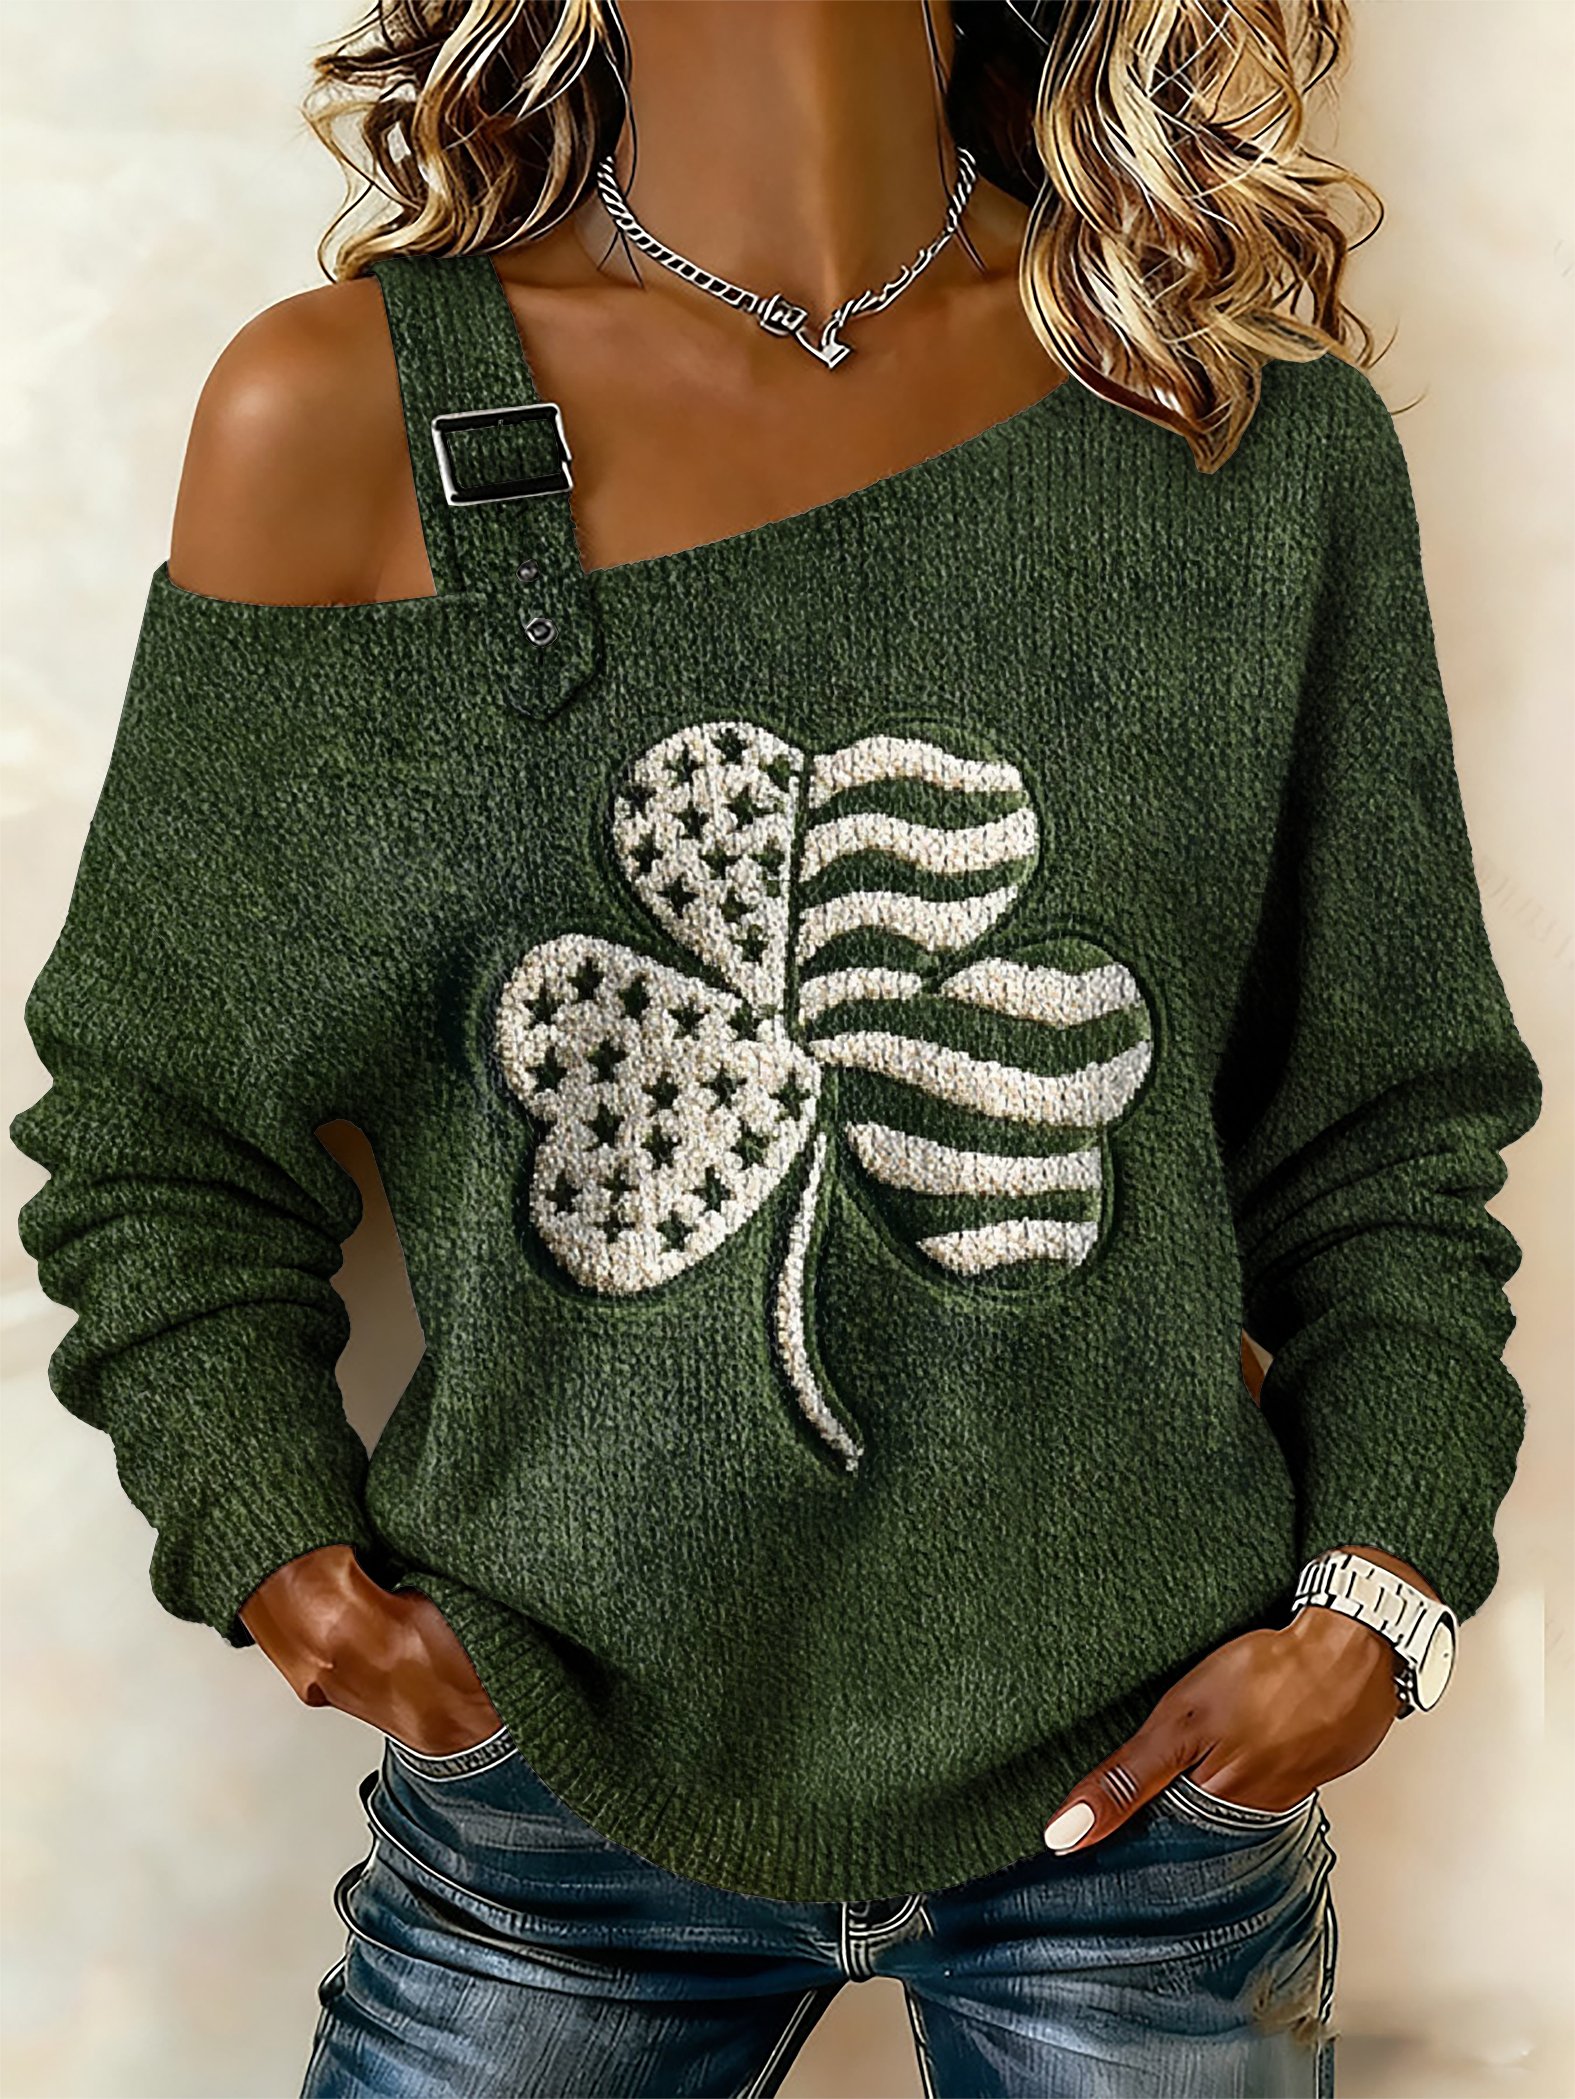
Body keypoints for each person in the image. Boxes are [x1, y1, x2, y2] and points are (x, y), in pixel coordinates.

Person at [8, 2, 1543, 2095]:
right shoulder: (350, 418)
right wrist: (275, 1546)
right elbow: (158, 1129)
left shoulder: (1237, 436)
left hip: (1148, 1800)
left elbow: (1381, 1129)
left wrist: (1377, 1598)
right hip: (553, 1794)